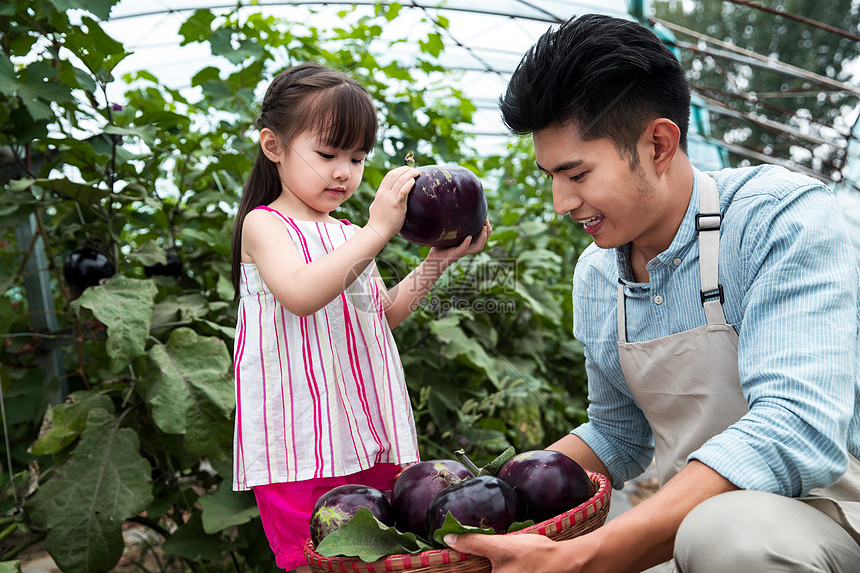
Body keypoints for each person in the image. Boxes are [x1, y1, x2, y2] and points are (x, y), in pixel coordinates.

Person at [444, 13, 860, 573]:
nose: (560, 203)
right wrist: (478, 497)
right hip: (692, 526)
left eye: (577, 173)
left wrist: (587, 555)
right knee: (707, 533)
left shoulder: (777, 219)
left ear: (659, 144)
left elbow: (794, 424)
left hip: (832, 511)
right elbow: (618, 434)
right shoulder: (598, 274)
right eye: (551, 176)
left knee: (724, 535)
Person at [230, 62, 491, 572]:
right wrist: (377, 229)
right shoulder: (266, 225)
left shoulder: (351, 231)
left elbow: (378, 316)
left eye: (357, 157)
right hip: (300, 438)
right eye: (327, 154)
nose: (344, 172)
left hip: (367, 429)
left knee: (381, 556)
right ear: (273, 146)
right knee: (317, 559)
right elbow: (302, 295)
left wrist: (436, 261)